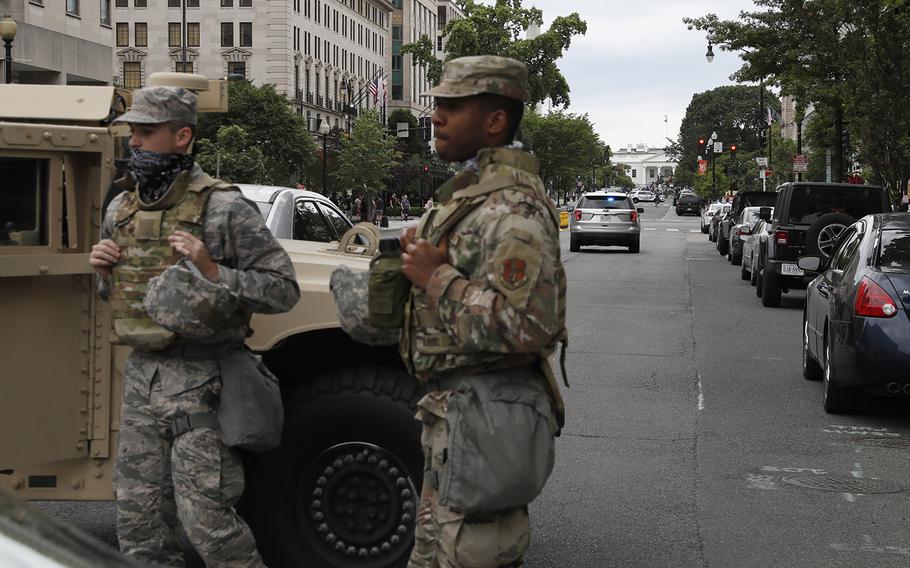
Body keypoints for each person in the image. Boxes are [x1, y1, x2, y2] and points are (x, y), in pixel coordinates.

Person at [89, 86, 300, 567]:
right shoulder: (120, 209)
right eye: (131, 133)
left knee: (209, 523)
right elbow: (124, 297)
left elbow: (281, 288)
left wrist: (212, 270)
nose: (134, 143)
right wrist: (104, 276)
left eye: (147, 132)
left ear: (182, 136)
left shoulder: (224, 208)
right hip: (142, 377)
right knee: (139, 526)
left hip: (202, 380)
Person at [398, 55, 566, 568]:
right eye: (436, 104)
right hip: (456, 421)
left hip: (485, 425)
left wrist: (437, 279)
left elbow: (531, 327)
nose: (435, 116)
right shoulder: (472, 198)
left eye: (452, 106)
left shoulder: (513, 212)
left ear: (495, 121)